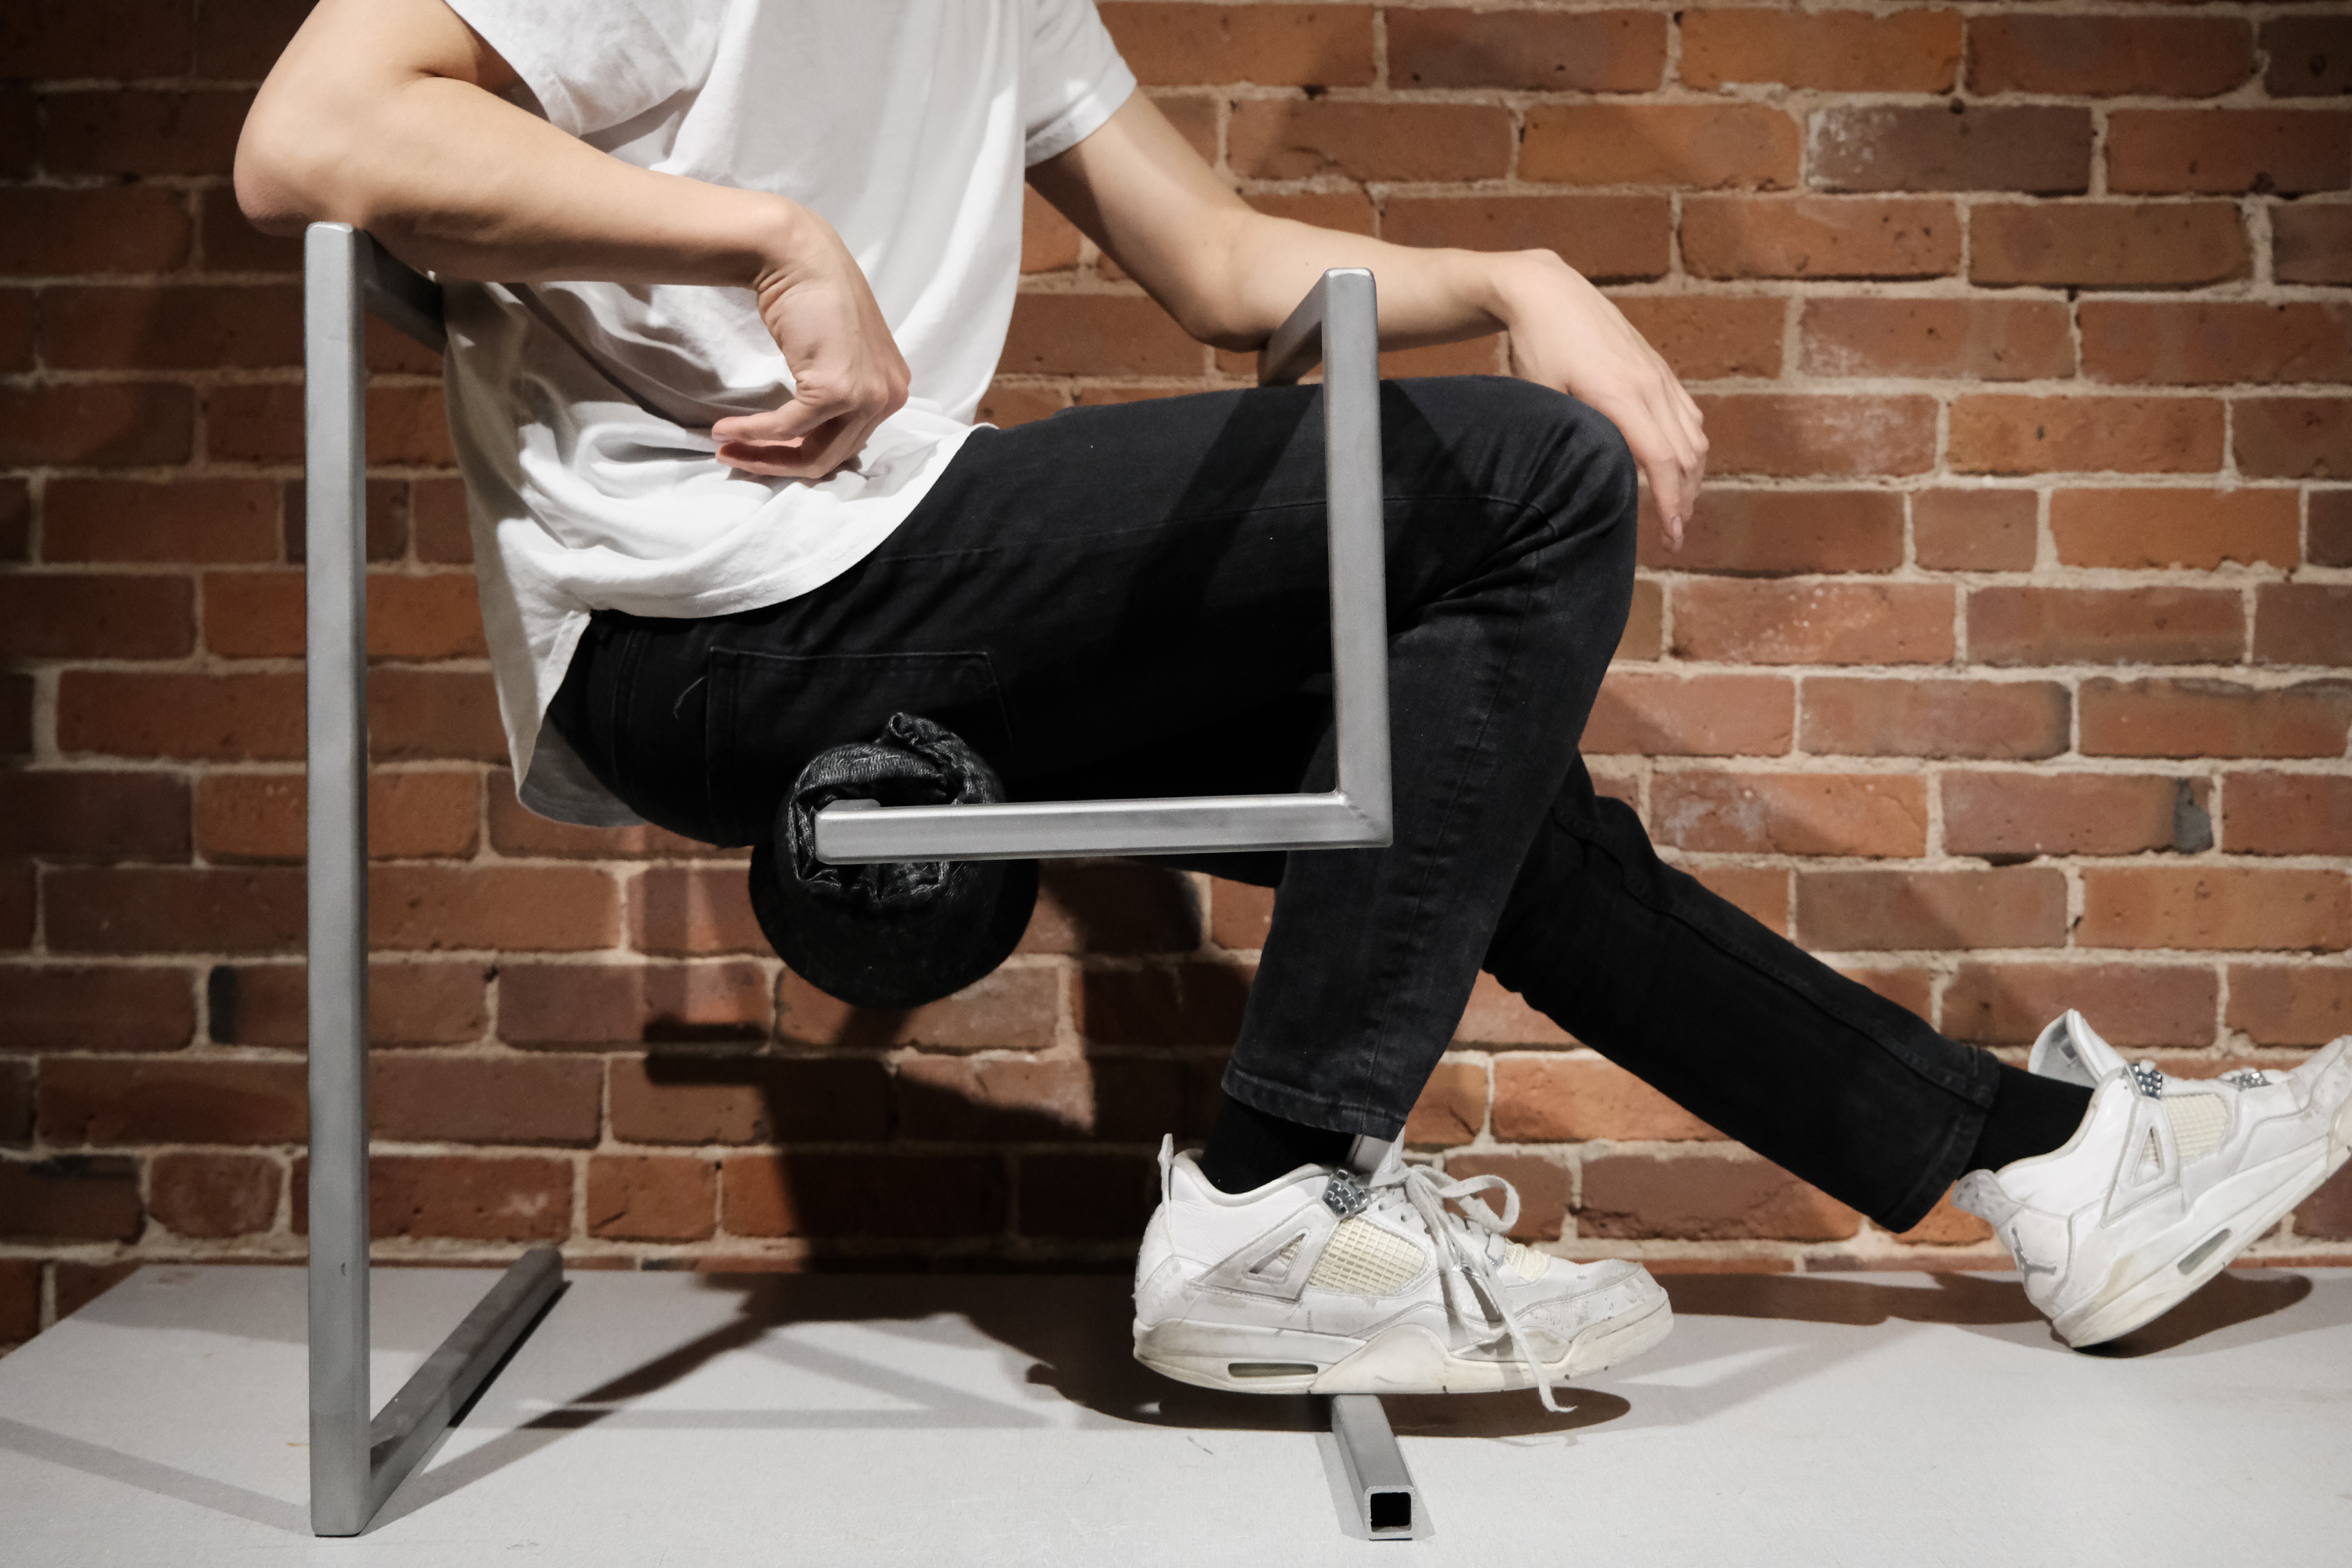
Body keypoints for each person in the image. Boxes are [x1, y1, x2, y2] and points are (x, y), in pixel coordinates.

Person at [238, 0, 2352, 1407]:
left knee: (1491, 803)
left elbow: (1225, 265)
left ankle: (2038, 1167)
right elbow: (311, 135)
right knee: (1528, 484)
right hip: (704, 619)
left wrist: (1520, 276)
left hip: (872, 571)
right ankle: (1277, 1194)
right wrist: (769, 238)